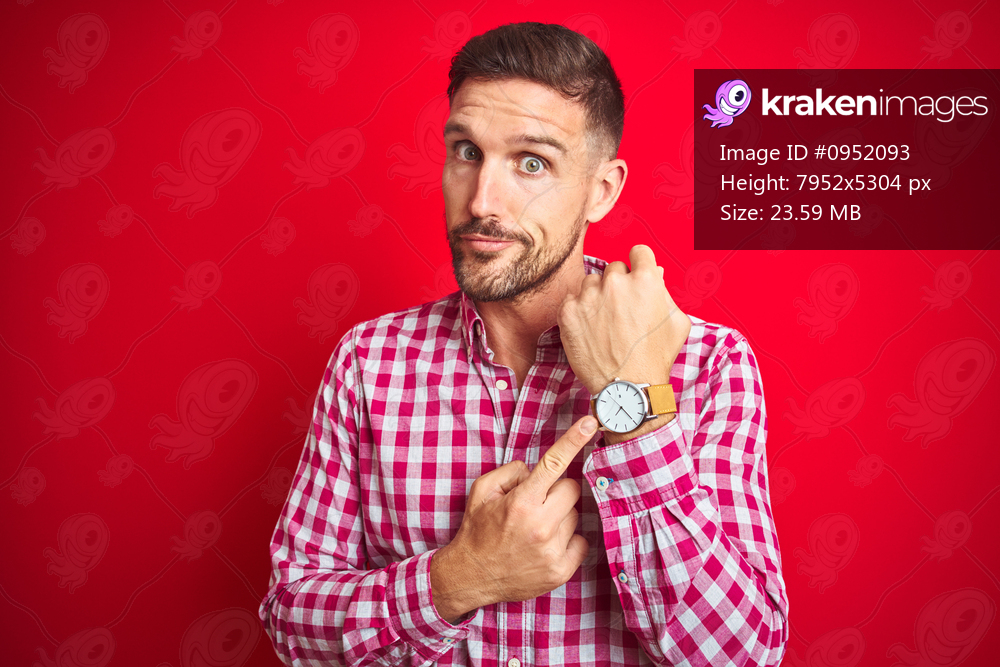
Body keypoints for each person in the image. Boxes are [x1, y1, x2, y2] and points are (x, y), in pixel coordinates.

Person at [259, 22, 788, 666]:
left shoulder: (707, 365)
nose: (483, 200)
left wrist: (633, 403)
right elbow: (291, 620)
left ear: (602, 190)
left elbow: (744, 654)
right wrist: (460, 577)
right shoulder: (369, 362)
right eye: (466, 151)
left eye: (532, 162)